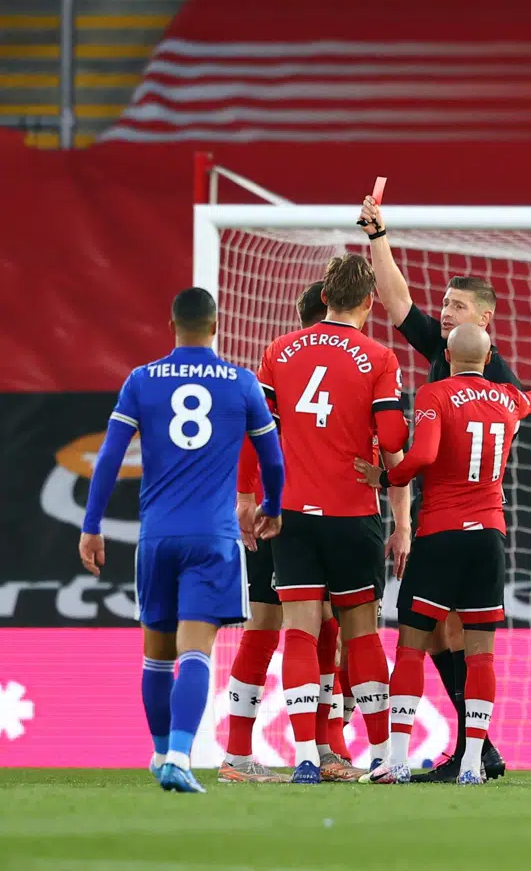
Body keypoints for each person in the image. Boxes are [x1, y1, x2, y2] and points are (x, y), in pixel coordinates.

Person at [79, 287, 284, 793]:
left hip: (157, 537)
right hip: (211, 539)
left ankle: (158, 752)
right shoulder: (242, 383)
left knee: (155, 655)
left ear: (172, 326)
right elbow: (273, 461)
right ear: (215, 326)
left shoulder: (141, 380)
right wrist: (272, 508)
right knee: (196, 652)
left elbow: (107, 457)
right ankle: (178, 756)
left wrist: (91, 525)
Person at [356, 325, 531, 784]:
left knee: (411, 647)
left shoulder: (434, 393)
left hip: (440, 534)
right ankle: (471, 765)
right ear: (489, 360)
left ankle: (398, 761)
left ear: (445, 355)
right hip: (488, 538)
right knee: (481, 657)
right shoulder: (508, 398)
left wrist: (384, 479)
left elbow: (422, 454)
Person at [361, 192, 511, 782]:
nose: (444, 313)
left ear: (485, 319)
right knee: (456, 633)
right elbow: (397, 301)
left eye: (457, 306)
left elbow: (422, 454)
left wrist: (388, 475)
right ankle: (478, 752)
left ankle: (464, 752)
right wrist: (378, 236)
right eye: (445, 304)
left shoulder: (483, 370)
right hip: (474, 522)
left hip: (455, 512)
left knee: (426, 634)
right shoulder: (456, 358)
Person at [257, 253, 411, 784]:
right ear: (370, 303)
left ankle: (304, 755)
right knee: (362, 635)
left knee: (297, 632)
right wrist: (398, 505)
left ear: (323, 297)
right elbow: (392, 442)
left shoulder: (279, 350)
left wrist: (249, 498)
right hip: (352, 513)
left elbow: (258, 435)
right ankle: (384, 758)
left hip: (294, 513)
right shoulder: (379, 358)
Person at [222, 281, 369, 783]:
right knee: (317, 626)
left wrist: (244, 496)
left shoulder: (281, 361)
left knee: (283, 626)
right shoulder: (340, 364)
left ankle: (251, 752)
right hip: (292, 511)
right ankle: (321, 748)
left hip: (273, 508)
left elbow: (250, 430)